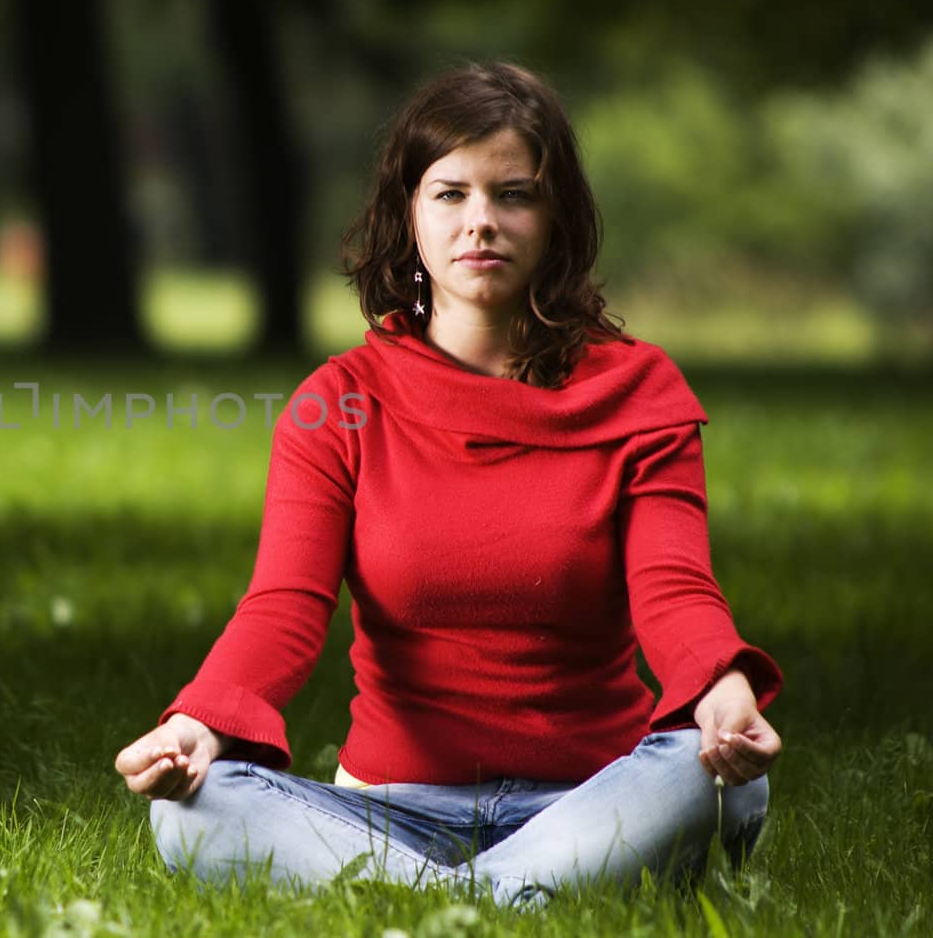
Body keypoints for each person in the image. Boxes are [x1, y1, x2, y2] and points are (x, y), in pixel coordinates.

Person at [113, 61, 783, 908]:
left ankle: (438, 907)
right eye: (450, 194)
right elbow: (283, 605)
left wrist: (722, 687)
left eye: (514, 194)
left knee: (718, 778)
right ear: (408, 215)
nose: (482, 222)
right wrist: (198, 723)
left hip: (591, 796)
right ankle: (507, 902)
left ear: (556, 218)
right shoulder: (341, 403)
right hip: (391, 811)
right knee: (191, 812)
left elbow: (673, 588)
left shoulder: (639, 395)